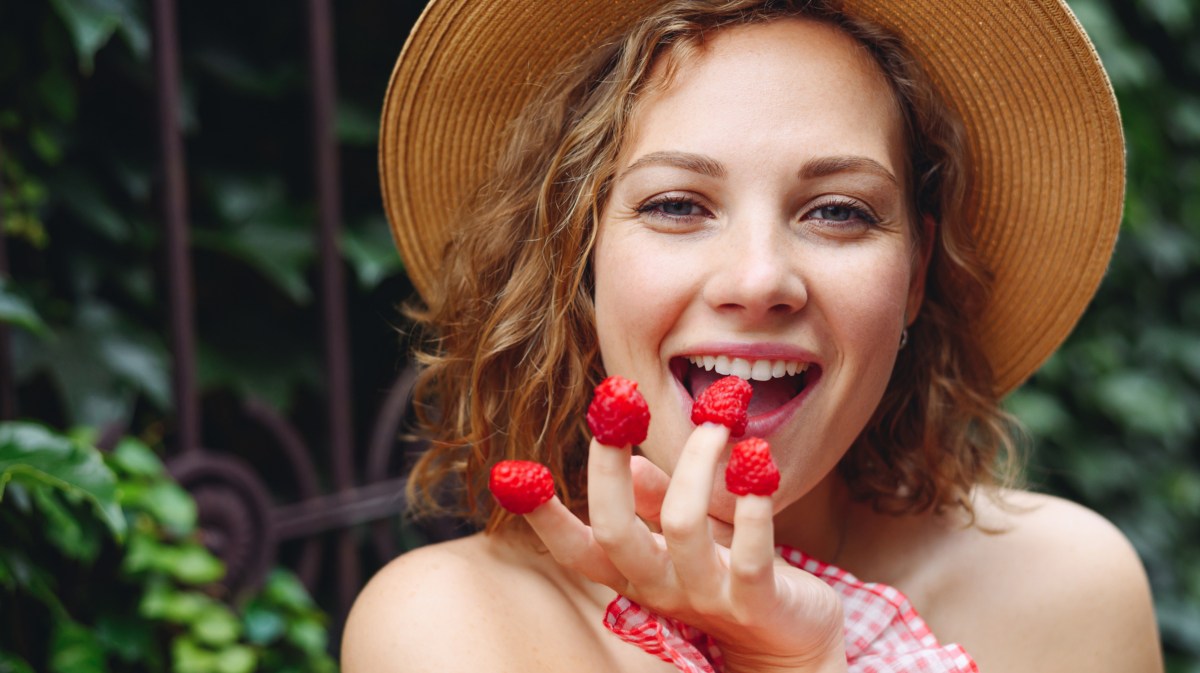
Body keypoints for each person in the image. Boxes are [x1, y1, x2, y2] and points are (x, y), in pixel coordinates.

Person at [343, 0, 1163, 670]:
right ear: (577, 260)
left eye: (838, 211)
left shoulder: (1069, 589)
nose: (760, 279)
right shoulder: (448, 629)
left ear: (915, 277)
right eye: (676, 205)